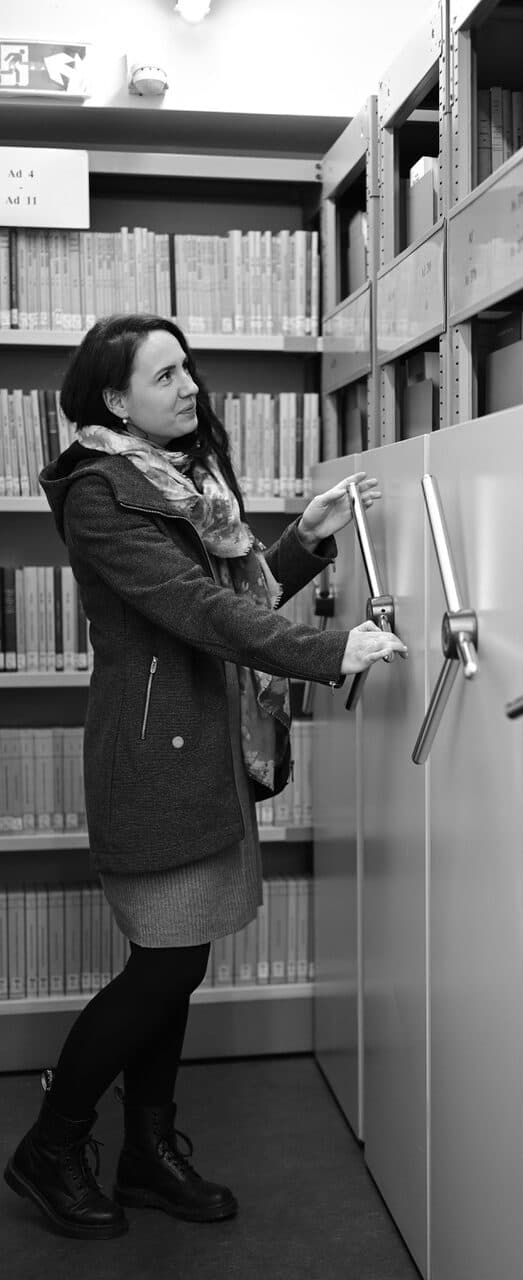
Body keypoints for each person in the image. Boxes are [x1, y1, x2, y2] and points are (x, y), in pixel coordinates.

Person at [3, 313, 406, 1240]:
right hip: (156, 759)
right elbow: (195, 610)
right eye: (166, 374)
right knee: (165, 966)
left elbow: (232, 589)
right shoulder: (103, 493)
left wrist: (302, 539)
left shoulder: (183, 481)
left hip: (202, 748)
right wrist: (329, 649)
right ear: (116, 400)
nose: (191, 386)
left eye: (190, 368)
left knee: (177, 970)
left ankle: (150, 1151)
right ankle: (51, 1146)